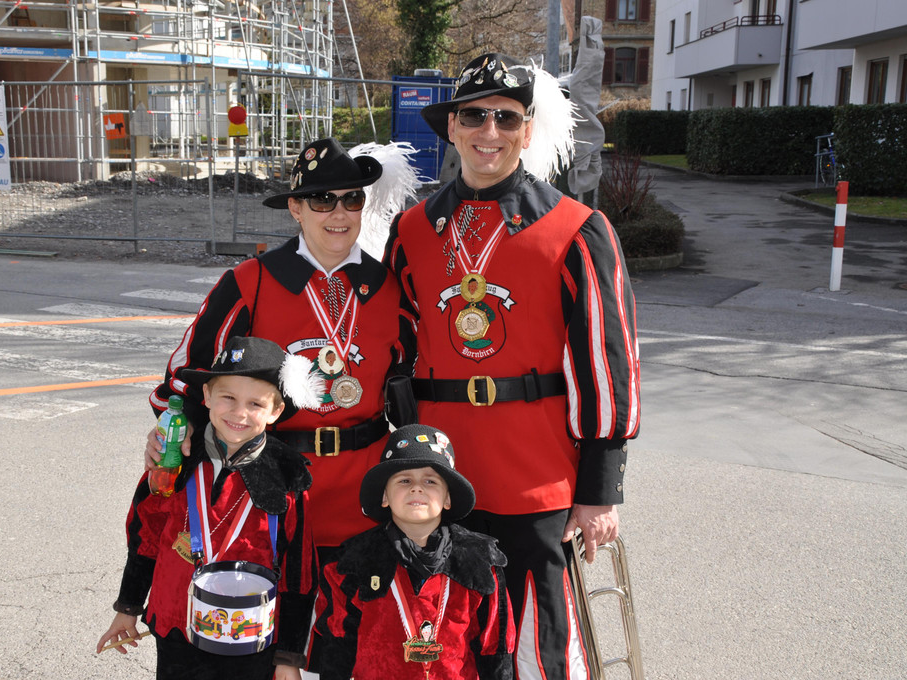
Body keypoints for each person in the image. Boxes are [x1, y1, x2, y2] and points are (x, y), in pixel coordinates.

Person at [385, 53, 641, 679]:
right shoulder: (412, 229)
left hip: (537, 474)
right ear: (452, 127)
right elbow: (392, 348)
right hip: (439, 473)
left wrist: (599, 490)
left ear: (528, 130)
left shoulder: (577, 229)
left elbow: (606, 365)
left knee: (537, 648)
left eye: (506, 117)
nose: (489, 131)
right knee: (444, 640)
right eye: (474, 116)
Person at [146, 137, 415, 553]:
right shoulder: (250, 282)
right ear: (295, 208)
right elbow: (186, 375)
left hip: (366, 492)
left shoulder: (388, 288)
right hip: (271, 487)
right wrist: (176, 430)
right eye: (322, 200)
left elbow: (412, 379)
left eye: (352, 199)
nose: (339, 213)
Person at [98, 336, 321, 679]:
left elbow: (299, 572)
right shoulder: (174, 459)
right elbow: (145, 536)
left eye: (255, 404)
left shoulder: (289, 474)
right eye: (228, 397)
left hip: (251, 633)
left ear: (276, 411)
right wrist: (128, 606)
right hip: (177, 623)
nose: (239, 413)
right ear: (206, 396)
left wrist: (288, 657)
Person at [316, 424, 515, 680]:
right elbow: (337, 649)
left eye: (430, 481)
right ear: (385, 496)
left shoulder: (481, 560)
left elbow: (495, 649)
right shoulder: (350, 563)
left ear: (448, 498)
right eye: (404, 480)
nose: (417, 488)